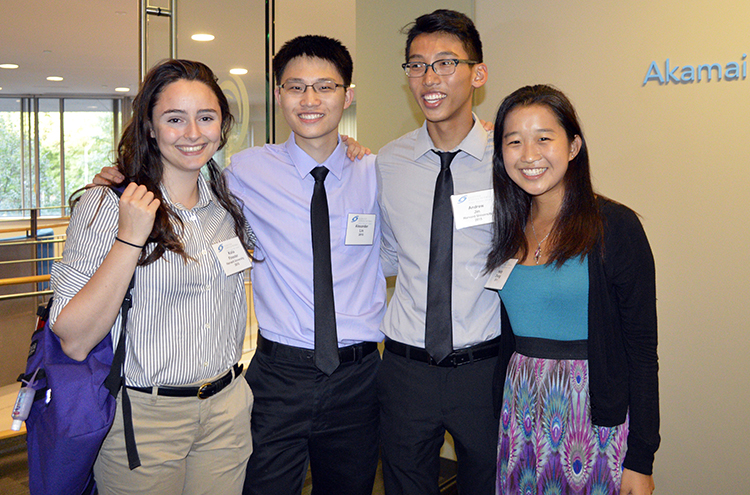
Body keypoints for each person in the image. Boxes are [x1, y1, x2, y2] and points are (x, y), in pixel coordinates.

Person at [49, 59, 255, 494]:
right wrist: (129, 239)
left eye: (206, 117)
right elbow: (74, 337)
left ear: (223, 124)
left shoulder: (228, 205)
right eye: (174, 119)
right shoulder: (108, 205)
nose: (193, 133)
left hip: (227, 410)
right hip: (145, 419)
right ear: (149, 126)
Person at [224, 35, 386, 495]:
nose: (310, 100)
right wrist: (118, 177)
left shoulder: (375, 172)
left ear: (347, 95)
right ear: (278, 95)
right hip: (279, 376)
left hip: (358, 378)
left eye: (325, 87)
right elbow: (178, 181)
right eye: (296, 87)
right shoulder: (246, 171)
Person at [486, 84, 660, 494]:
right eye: (514, 141)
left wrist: (640, 458)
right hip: (521, 415)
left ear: (573, 145)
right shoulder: (508, 227)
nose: (529, 155)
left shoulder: (614, 226)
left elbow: (642, 351)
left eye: (544, 138)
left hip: (592, 418)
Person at [375, 10, 502, 495]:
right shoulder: (387, 161)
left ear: (478, 74)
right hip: (406, 371)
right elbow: (384, 252)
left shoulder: (507, 157)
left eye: (446, 63)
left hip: (485, 369)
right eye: (417, 65)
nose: (430, 78)